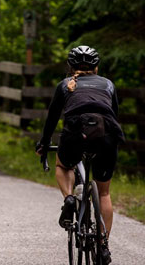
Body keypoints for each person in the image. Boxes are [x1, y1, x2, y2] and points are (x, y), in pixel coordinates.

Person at [35, 45, 124, 265]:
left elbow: (52, 119)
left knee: (64, 166)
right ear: (96, 66)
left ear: (70, 66)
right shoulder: (108, 84)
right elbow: (114, 114)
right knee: (104, 193)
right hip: (106, 134)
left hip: (75, 133)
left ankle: (68, 199)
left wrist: (44, 144)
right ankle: (103, 246)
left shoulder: (65, 85)